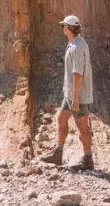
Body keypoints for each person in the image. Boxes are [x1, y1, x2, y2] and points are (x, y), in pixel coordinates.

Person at [39, 15, 95, 170]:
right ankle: (58, 153)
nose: (62, 28)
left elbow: (78, 74)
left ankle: (88, 159)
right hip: (70, 93)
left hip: (77, 95)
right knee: (62, 118)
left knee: (83, 127)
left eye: (63, 26)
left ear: (68, 28)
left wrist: (76, 99)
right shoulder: (76, 44)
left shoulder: (77, 47)